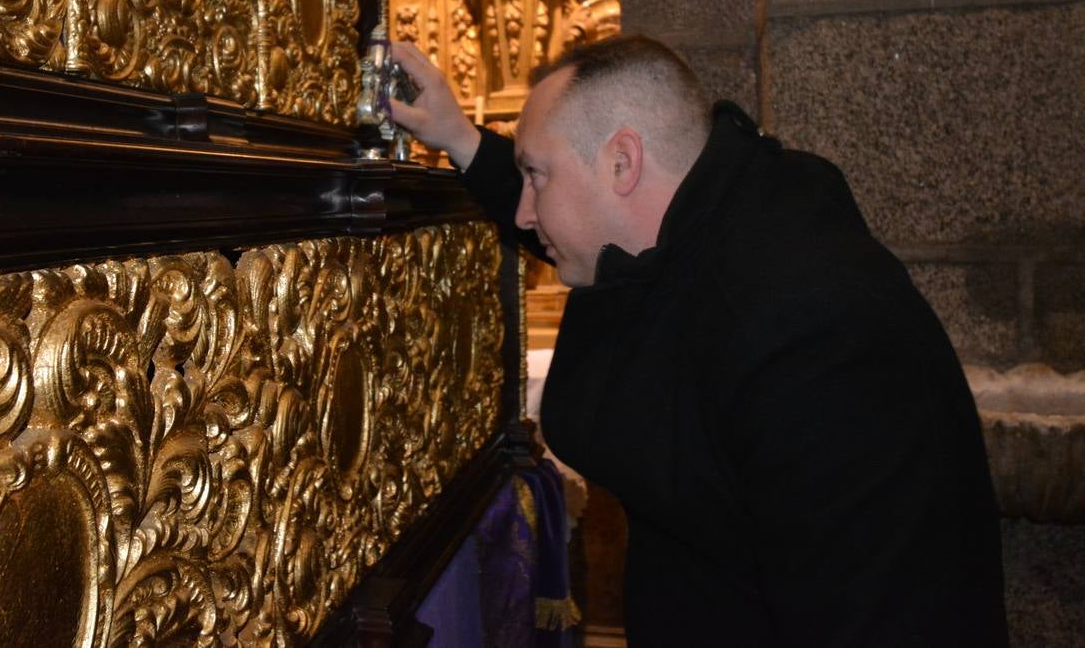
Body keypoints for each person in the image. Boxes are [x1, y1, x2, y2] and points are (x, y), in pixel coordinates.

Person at [389, 34, 1008, 647]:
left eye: (536, 175)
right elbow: (574, 227)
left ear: (622, 163)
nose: (525, 212)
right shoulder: (715, 221)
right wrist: (463, 139)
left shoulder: (812, 335)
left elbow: (871, 614)